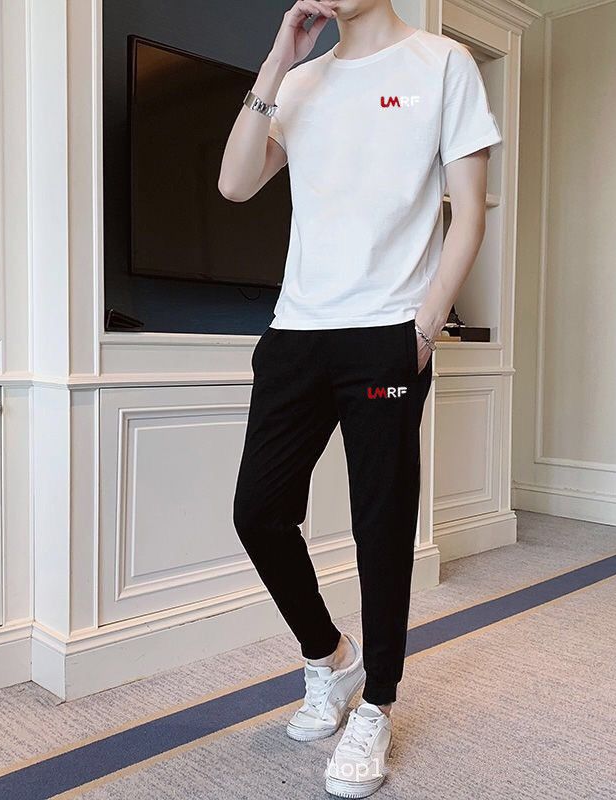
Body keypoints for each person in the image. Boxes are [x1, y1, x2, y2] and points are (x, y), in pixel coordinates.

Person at [220, 1, 502, 796]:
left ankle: (377, 703)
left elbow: (469, 215)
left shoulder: (442, 65)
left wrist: (423, 329)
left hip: (388, 331)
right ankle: (330, 658)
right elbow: (235, 183)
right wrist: (278, 58)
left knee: (381, 524)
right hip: (296, 333)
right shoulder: (300, 81)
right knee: (258, 512)